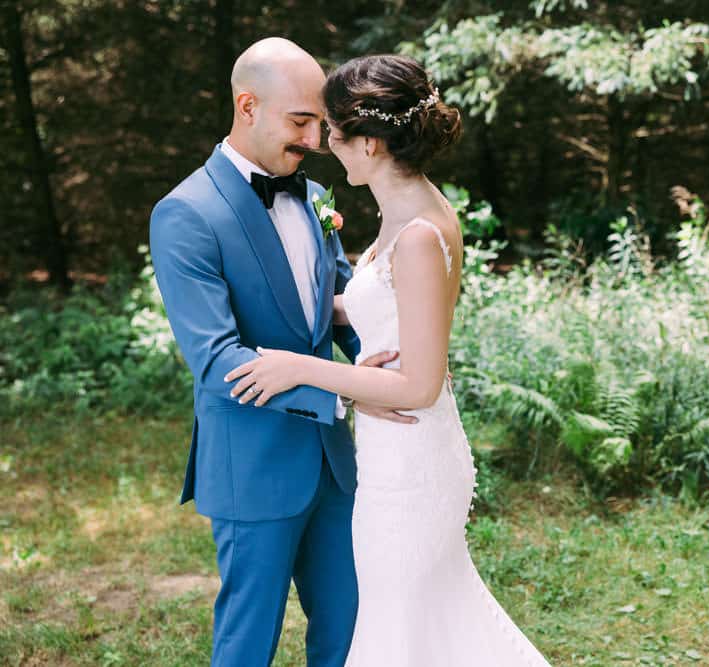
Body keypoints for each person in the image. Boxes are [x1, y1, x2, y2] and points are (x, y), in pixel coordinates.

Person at [225, 53, 552, 666]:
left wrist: (298, 368)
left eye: (334, 132)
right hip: (388, 452)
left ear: (370, 143)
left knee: (400, 627)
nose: (324, 144)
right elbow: (386, 307)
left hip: (411, 463)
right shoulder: (406, 210)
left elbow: (419, 385)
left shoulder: (422, 234)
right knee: (423, 627)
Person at [150, 38, 412, 667]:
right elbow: (217, 362)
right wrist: (346, 389)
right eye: (301, 122)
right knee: (249, 640)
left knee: (352, 625)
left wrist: (393, 364)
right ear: (247, 106)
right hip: (253, 465)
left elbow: (337, 306)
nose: (317, 140)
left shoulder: (315, 196)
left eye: (321, 123)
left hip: (333, 464)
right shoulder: (186, 213)